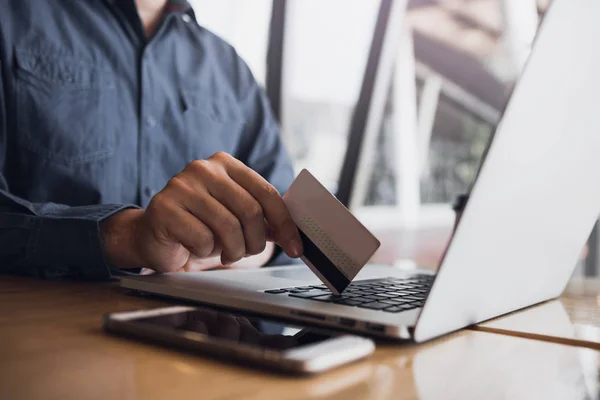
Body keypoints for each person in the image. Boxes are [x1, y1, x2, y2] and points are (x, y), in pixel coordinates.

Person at [0, 0, 303, 279]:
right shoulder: (10, 18)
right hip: (47, 323)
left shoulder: (229, 68)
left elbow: (287, 217)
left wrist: (251, 250)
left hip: (208, 324)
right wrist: (126, 236)